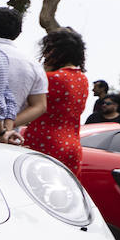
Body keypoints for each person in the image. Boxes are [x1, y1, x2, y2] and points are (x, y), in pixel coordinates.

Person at [22, 29, 89, 174]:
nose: (45, 54)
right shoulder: (82, 79)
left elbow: (25, 106)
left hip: (46, 141)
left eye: (48, 50)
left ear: (59, 52)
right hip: (73, 144)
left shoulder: (52, 78)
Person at [0, 7, 47, 131]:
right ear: (18, 32)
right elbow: (40, 105)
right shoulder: (33, 64)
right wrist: (9, 125)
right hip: (9, 135)